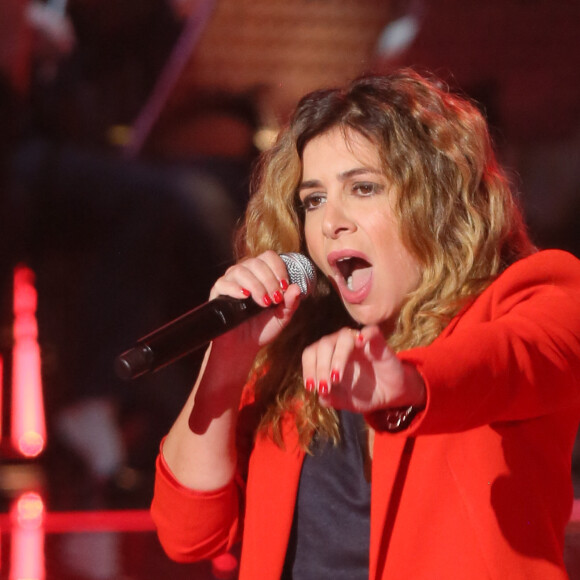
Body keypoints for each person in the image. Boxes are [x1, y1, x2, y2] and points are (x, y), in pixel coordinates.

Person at [150, 69, 580, 578]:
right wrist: (226, 363)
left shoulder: (535, 293)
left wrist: (409, 381)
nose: (331, 221)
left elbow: (509, 361)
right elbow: (188, 535)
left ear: (438, 198)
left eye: (364, 187)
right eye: (313, 199)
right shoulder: (298, 355)